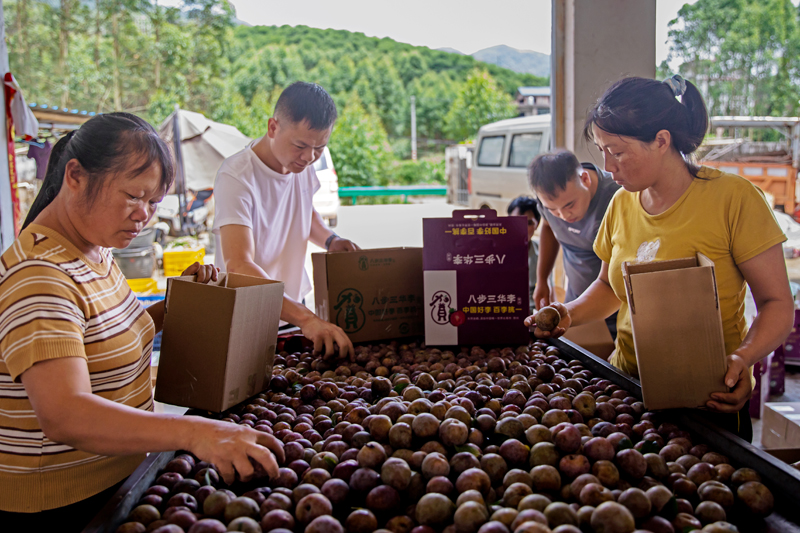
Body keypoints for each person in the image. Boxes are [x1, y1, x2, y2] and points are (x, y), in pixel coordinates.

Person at [0, 113, 283, 529]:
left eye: (153, 202)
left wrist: (177, 303)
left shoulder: (94, 251)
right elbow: (64, 413)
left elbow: (106, 338)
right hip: (62, 503)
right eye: (134, 196)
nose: (143, 215)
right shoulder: (40, 275)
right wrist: (194, 433)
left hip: (120, 480)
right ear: (75, 176)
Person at [526, 75, 794, 441]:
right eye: (602, 151)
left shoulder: (734, 200)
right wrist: (569, 312)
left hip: (707, 399)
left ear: (661, 141)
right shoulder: (621, 203)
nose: (607, 167)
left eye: (617, 152)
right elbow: (609, 286)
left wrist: (743, 358)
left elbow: (778, 304)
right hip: (627, 391)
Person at [213, 82, 358, 358]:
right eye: (301, 146)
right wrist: (306, 318)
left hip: (292, 307)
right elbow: (239, 265)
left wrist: (330, 240)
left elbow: (304, 211)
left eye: (319, 148)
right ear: (273, 127)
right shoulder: (237, 176)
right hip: (248, 313)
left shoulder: (301, 165)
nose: (309, 157)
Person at [528, 149, 620, 339]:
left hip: (616, 302)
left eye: (570, 205)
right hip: (576, 303)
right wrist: (542, 279)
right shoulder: (548, 205)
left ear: (585, 179)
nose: (563, 216)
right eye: (553, 209)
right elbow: (548, 225)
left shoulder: (616, 197)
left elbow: (610, 283)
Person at [507, 196, 542, 312]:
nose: (522, 228)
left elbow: (549, 290)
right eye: (516, 222)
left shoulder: (543, 254)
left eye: (529, 223)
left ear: (537, 224)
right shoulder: (493, 255)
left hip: (533, 312)